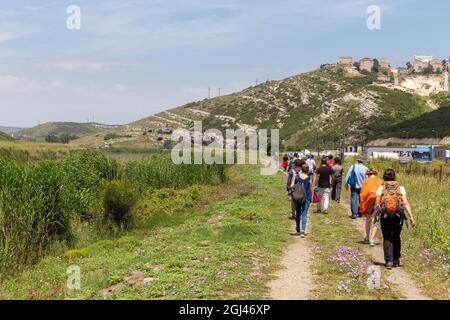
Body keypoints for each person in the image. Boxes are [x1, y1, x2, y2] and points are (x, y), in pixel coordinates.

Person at [375, 168, 416, 269]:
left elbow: (377, 205)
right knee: (396, 236)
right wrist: (411, 217)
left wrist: (375, 216)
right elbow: (405, 203)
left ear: (384, 176)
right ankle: (396, 260)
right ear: (394, 176)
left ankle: (388, 261)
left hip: (385, 216)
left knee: (387, 237)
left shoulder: (381, 188)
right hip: (398, 216)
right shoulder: (400, 188)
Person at [287, 162, 313, 237]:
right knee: (304, 214)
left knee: (298, 213)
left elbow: (292, 186)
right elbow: (311, 189)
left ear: (301, 169)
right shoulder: (309, 178)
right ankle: (303, 231)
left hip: (297, 197)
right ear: (307, 170)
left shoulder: (297, 176)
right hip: (306, 198)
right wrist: (311, 197)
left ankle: (298, 227)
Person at [360, 168, 383, 247]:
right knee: (375, 220)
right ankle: (372, 239)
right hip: (377, 200)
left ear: (368, 174)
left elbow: (362, 193)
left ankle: (367, 237)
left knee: (368, 219)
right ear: (376, 174)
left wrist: (362, 204)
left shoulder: (366, 180)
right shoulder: (380, 181)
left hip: (369, 201)